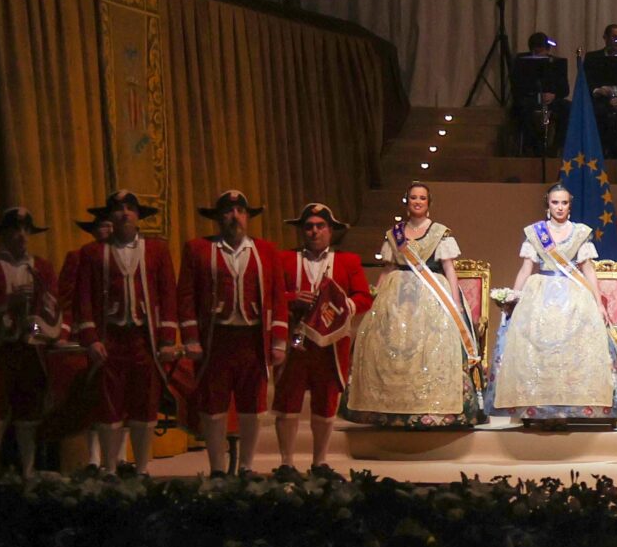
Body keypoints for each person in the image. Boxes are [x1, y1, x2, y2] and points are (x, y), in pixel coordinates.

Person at [63, 189, 182, 471]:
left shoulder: (157, 250)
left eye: (130, 208)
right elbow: (84, 300)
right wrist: (90, 339)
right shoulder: (93, 253)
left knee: (145, 404)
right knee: (108, 405)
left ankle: (141, 469)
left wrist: (166, 341)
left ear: (139, 215)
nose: (125, 213)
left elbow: (168, 297)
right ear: (110, 216)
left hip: (145, 339)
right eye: (118, 208)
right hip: (110, 340)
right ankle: (110, 470)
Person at [344, 183, 481, 430]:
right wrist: (377, 299)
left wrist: (456, 303)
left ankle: (434, 406)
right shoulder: (394, 234)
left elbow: (449, 269)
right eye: (413, 197)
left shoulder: (440, 233)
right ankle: (389, 407)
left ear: (429, 203)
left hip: (432, 295)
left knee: (431, 347)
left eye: (422, 198)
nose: (417, 201)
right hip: (398, 295)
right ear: (406, 201)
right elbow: (388, 270)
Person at [489, 187, 617, 427]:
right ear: (548, 205)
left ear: (569, 206)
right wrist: (514, 296)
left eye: (564, 203)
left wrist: (598, 301)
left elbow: (588, 270)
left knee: (570, 352)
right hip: (540, 294)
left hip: (573, 297)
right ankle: (540, 409)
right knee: (538, 350)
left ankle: (566, 409)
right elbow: (525, 268)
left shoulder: (581, 233)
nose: (559, 207)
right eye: (555, 202)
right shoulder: (535, 233)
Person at [180, 190, 290, 475]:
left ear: (248, 216)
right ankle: (217, 468)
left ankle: (246, 466)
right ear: (218, 218)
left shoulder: (266, 251)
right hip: (215, 339)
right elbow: (186, 296)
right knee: (213, 404)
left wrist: (279, 341)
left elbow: (278, 297)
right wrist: (190, 337)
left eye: (240, 210)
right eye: (228, 211)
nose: (234, 216)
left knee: (252, 406)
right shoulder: (198, 249)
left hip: (252, 338)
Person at [274, 203, 373, 470]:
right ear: (301, 230)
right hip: (296, 342)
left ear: (331, 231)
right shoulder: (284, 259)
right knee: (287, 400)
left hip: (331, 345)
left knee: (326, 401)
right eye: (309, 227)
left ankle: (320, 462)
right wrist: (292, 299)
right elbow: (270, 296)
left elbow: (364, 298)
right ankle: (286, 463)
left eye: (320, 226)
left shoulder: (347, 261)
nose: (314, 232)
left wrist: (338, 306)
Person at [0, 206, 58, 472]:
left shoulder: (41, 268)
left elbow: (51, 316)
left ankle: (28, 472)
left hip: (30, 350)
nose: (21, 235)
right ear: (3, 234)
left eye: (26, 230)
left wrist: (37, 330)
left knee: (29, 412)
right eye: (15, 229)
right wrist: (8, 302)